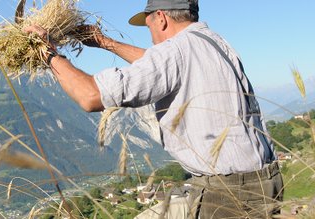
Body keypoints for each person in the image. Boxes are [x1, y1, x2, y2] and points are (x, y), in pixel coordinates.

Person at [23, 0, 283, 217]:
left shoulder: (176, 51)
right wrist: (104, 42)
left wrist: (48, 53)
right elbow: (159, 65)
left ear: (161, 18)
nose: (150, 33)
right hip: (264, 182)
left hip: (227, 194)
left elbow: (90, 96)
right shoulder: (213, 42)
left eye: (148, 25)